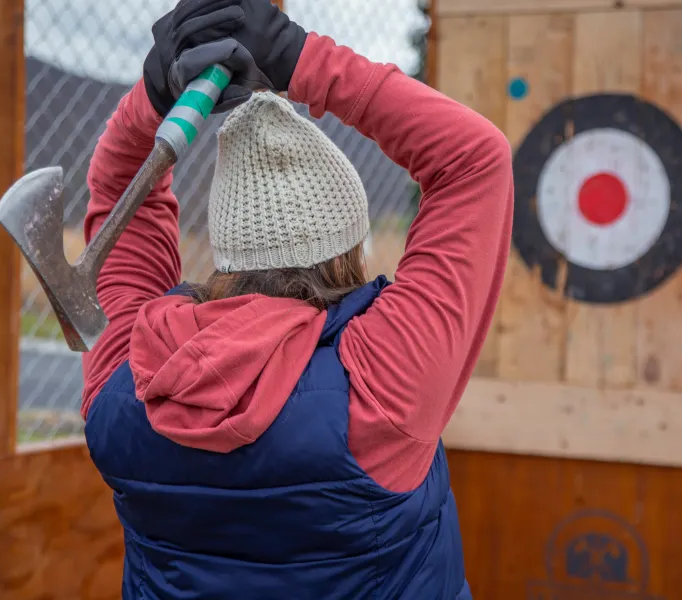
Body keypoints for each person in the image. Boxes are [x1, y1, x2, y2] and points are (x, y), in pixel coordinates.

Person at [80, 0, 514, 597]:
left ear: (228, 247)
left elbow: (118, 198)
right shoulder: (382, 388)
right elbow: (475, 160)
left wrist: (157, 93)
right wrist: (293, 53)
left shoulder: (126, 383)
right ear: (347, 250)